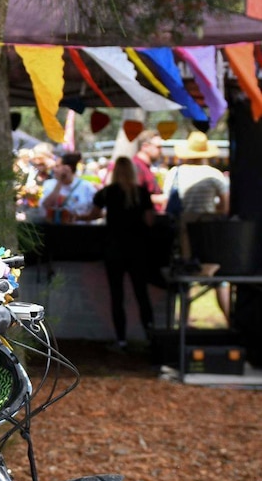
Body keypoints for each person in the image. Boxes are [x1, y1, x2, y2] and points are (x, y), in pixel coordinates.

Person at [86, 156, 155, 350]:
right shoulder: (141, 192)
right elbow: (150, 220)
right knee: (141, 293)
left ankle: (121, 339)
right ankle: (150, 336)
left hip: (114, 248)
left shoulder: (107, 193)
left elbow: (93, 215)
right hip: (137, 248)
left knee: (117, 295)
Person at [162, 129, 230, 315]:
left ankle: (183, 322)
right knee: (220, 281)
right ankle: (230, 321)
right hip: (209, 237)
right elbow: (225, 208)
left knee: (185, 281)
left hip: (182, 235)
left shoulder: (175, 173)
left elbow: (169, 201)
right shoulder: (215, 175)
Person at [39, 152, 96, 223]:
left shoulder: (87, 187)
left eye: (57, 166)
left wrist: (78, 217)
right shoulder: (49, 184)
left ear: (68, 168)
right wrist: (59, 182)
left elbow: (98, 213)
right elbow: (46, 206)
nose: (54, 169)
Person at [132, 130, 165, 210]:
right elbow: (133, 196)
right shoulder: (136, 167)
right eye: (158, 147)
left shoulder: (144, 167)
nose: (161, 151)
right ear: (145, 147)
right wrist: (158, 199)